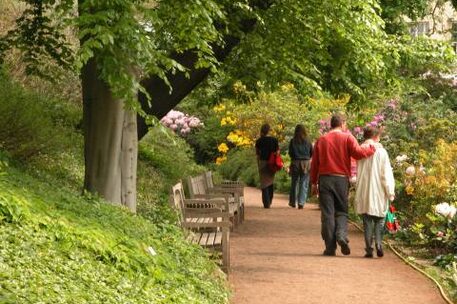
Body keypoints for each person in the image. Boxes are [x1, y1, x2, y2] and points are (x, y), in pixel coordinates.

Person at [310, 114, 376, 256]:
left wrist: (313, 183)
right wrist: (371, 149)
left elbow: (315, 163)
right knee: (341, 211)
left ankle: (330, 247)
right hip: (341, 179)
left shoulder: (321, 140)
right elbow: (358, 153)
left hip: (325, 180)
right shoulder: (347, 137)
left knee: (327, 214)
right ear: (342, 124)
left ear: (331, 125)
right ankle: (341, 235)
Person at [354, 126, 395, 258]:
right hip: (379, 190)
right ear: (376, 137)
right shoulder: (382, 152)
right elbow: (386, 174)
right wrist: (390, 191)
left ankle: (369, 249)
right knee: (380, 219)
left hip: (364, 190)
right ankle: (378, 243)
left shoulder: (360, 150)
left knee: (367, 221)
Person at [288, 124, 313, 209]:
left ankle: (292, 202)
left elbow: (290, 153)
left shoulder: (293, 141)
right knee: (304, 183)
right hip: (306, 163)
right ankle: (301, 202)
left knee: (294, 182)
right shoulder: (308, 141)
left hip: (295, 162)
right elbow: (312, 152)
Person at [255, 123, 279, 208]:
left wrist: (258, 164)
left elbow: (257, 154)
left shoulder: (259, 141)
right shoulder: (274, 140)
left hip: (263, 162)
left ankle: (266, 202)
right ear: (269, 130)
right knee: (270, 181)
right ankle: (270, 199)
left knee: (264, 182)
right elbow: (278, 152)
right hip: (272, 163)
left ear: (262, 131)